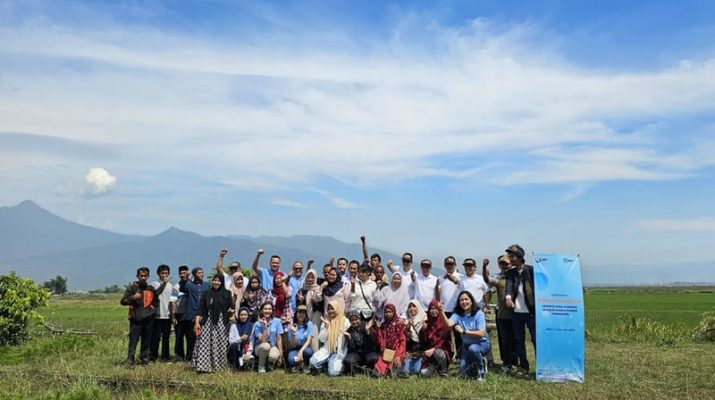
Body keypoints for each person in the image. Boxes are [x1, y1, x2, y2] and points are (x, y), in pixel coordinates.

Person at [443, 291, 491, 380]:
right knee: (463, 375)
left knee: (473, 348)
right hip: (466, 346)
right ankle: (476, 364)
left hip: (481, 344)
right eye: (461, 300)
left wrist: (464, 331)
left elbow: (480, 333)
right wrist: (441, 311)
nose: (464, 302)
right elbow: (449, 324)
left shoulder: (478, 313)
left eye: (466, 299)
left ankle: (482, 372)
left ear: (471, 301)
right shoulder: (457, 314)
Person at [504, 244, 536, 377]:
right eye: (509, 256)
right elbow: (509, 287)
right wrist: (508, 297)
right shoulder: (510, 273)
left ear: (520, 257)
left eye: (512, 256)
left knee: (536, 339)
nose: (510, 259)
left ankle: (541, 367)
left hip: (531, 312)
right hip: (516, 313)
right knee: (519, 341)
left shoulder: (532, 271)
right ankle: (524, 367)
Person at [192, 273, 233, 373]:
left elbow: (231, 307)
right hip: (208, 322)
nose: (216, 282)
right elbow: (200, 309)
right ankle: (204, 367)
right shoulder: (206, 293)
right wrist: (197, 323)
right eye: (215, 280)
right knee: (205, 344)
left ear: (222, 282)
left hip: (222, 323)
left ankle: (220, 367)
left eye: (219, 281)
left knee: (221, 344)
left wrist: (231, 313)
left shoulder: (227, 293)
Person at [484, 254, 518, 372]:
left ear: (511, 264)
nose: (504, 266)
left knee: (515, 339)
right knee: (504, 339)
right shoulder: (498, 278)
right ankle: (506, 362)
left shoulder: (517, 276)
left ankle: (515, 363)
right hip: (502, 313)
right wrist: (486, 304)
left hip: (516, 313)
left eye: (506, 263)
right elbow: (489, 287)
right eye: (501, 264)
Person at [120, 266, 158, 367]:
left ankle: (144, 359)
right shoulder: (132, 288)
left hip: (148, 319)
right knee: (133, 340)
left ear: (148, 276)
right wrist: (133, 297)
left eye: (145, 276)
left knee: (146, 341)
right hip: (135, 319)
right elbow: (123, 301)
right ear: (137, 276)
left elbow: (156, 302)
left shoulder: (151, 288)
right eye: (141, 276)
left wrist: (152, 311)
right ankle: (130, 360)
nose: (143, 278)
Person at [309, 300, 350, 376]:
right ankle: (327, 364)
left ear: (337, 308)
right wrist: (326, 328)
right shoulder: (326, 321)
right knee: (312, 362)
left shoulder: (345, 321)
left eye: (332, 308)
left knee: (333, 373)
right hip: (327, 350)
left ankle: (327, 365)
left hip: (338, 352)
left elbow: (348, 339)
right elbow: (322, 339)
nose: (330, 311)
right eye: (329, 309)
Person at [179, 267, 210, 362]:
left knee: (203, 337)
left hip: (204, 315)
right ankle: (190, 357)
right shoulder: (189, 285)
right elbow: (182, 287)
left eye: (202, 272)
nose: (201, 274)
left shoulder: (207, 285)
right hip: (191, 314)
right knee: (191, 338)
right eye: (199, 273)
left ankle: (202, 357)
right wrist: (185, 277)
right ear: (194, 274)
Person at [245, 302, 284, 373]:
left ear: (272, 311)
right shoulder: (257, 324)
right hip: (260, 347)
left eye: (269, 309)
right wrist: (265, 327)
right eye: (265, 309)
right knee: (266, 346)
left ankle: (269, 365)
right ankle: (261, 366)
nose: (267, 311)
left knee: (274, 354)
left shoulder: (277, 321)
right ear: (262, 311)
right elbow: (263, 340)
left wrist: (281, 355)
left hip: (272, 346)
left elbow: (279, 339)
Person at [420, 300, 453, 377]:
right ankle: (436, 368)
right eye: (431, 309)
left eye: (436, 309)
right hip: (430, 354)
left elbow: (444, 341)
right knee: (423, 373)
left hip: (443, 350)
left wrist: (434, 349)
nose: (434, 311)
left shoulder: (444, 323)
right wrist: (422, 331)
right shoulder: (428, 323)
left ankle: (444, 370)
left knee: (438, 353)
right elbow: (424, 342)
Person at [372, 303, 407, 377]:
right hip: (386, 353)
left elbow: (402, 341)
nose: (388, 314)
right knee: (376, 373)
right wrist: (378, 329)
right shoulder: (383, 326)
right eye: (386, 312)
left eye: (390, 312)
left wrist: (399, 356)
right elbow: (379, 341)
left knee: (394, 374)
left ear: (394, 312)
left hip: (396, 353)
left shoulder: (399, 324)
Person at [343, 310, 379, 375]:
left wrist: (368, 332)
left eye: (356, 319)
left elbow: (374, 341)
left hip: (369, 351)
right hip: (357, 353)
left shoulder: (366, 325)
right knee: (349, 360)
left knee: (374, 358)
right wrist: (350, 338)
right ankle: (357, 371)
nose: (354, 322)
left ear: (359, 319)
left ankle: (369, 370)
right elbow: (352, 348)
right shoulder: (349, 331)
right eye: (352, 320)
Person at [150, 264, 172, 362]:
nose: (164, 275)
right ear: (158, 274)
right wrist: (163, 284)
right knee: (155, 337)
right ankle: (153, 357)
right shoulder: (154, 284)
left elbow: (173, 301)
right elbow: (156, 294)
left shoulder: (171, 286)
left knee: (166, 338)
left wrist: (173, 314)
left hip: (167, 316)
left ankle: (165, 357)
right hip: (156, 316)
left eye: (166, 273)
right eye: (162, 273)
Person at [298, 268, 323, 352]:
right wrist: (300, 301)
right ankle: (305, 354)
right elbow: (299, 307)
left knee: (314, 334)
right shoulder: (302, 290)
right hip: (304, 316)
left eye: (312, 277)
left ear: (315, 278)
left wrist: (315, 301)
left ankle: (316, 353)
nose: (310, 279)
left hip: (316, 315)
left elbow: (322, 305)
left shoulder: (319, 290)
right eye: (308, 277)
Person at [401, 300, 427, 377]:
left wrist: (416, 327)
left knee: (417, 370)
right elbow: (405, 341)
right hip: (410, 353)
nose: (412, 309)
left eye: (414, 306)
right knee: (405, 371)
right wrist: (408, 328)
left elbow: (425, 340)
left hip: (421, 353)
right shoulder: (405, 322)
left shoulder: (425, 320)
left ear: (418, 307)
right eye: (410, 307)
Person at [285, 305, 314, 373]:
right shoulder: (292, 325)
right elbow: (293, 345)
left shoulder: (309, 324)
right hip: (294, 348)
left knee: (309, 352)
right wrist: (295, 333)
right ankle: (298, 364)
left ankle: (305, 364)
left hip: (304, 348)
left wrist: (300, 351)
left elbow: (308, 340)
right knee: (291, 360)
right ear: (296, 314)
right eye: (299, 312)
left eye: (303, 313)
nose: (301, 315)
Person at [170, 265, 189, 361]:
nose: (182, 275)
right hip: (179, 315)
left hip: (190, 316)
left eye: (184, 273)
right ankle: (179, 356)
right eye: (180, 273)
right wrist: (173, 316)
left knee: (191, 338)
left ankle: (190, 356)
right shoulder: (176, 287)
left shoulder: (192, 285)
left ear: (188, 273)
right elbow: (173, 302)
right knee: (179, 337)